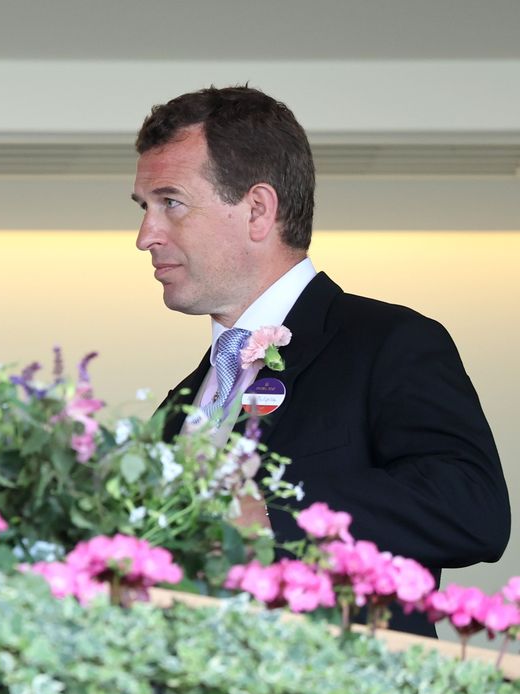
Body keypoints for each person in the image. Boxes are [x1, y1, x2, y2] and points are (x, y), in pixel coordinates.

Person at [130, 86, 510, 637]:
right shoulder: (183, 400)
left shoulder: (389, 343)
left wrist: (267, 516)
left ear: (258, 210)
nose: (146, 236)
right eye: (145, 208)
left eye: (171, 203)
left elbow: (471, 508)